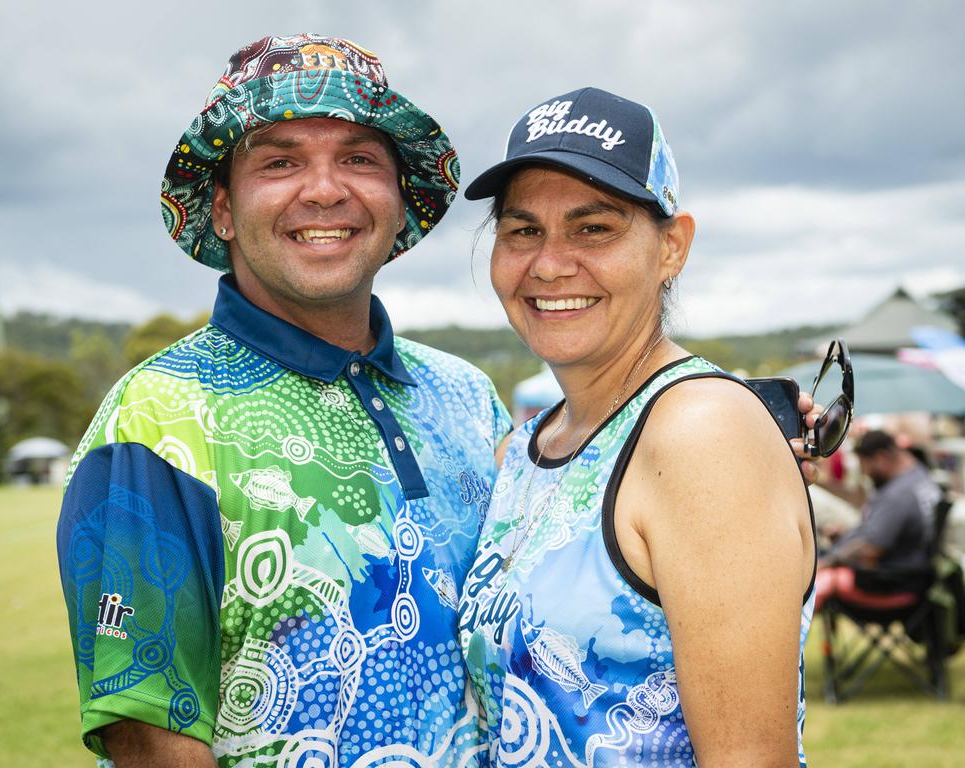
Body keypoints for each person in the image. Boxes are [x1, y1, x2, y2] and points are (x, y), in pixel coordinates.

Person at [56, 34, 511, 767]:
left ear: (400, 203)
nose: (326, 190)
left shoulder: (467, 396)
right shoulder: (155, 421)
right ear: (225, 210)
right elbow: (149, 740)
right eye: (280, 161)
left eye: (360, 158)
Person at [457, 88, 818, 767]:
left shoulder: (701, 432)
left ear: (672, 247)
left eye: (594, 228)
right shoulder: (533, 446)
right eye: (523, 228)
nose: (550, 262)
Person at [814, 429, 942, 610]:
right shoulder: (920, 476)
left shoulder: (898, 495)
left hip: (893, 583)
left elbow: (869, 550)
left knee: (818, 584)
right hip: (917, 576)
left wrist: (826, 563)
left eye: (864, 465)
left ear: (881, 457)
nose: (865, 473)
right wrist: (845, 537)